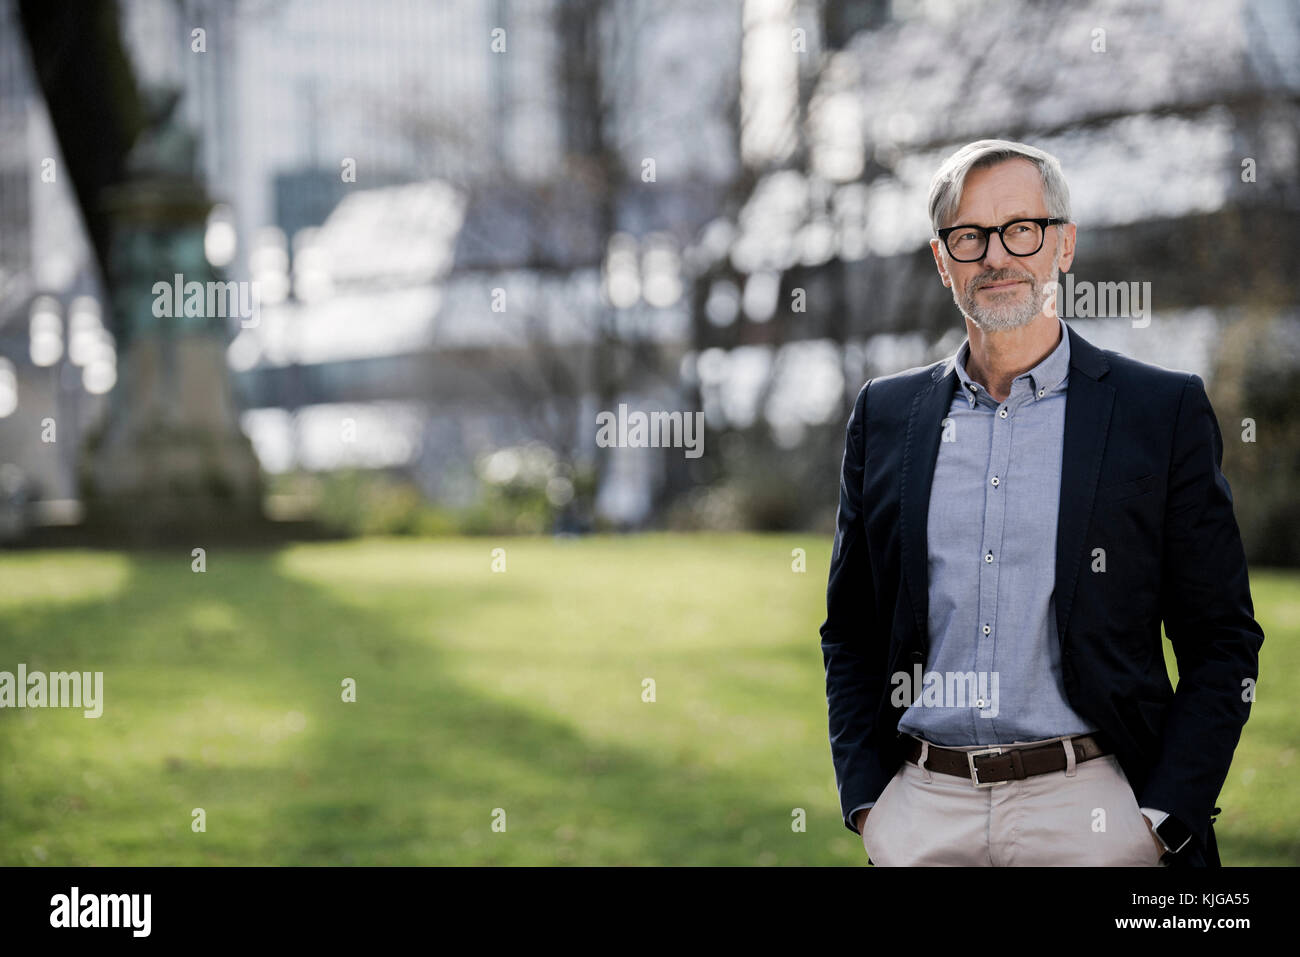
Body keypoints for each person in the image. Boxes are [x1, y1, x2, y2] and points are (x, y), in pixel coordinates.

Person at [821, 139, 1264, 866]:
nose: (995, 255)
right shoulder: (885, 415)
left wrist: (1161, 817)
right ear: (943, 260)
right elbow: (851, 630)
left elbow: (1222, 641)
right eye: (969, 236)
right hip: (924, 814)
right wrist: (870, 803)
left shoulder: (1160, 410)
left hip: (1096, 814)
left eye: (1020, 228)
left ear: (1064, 243)